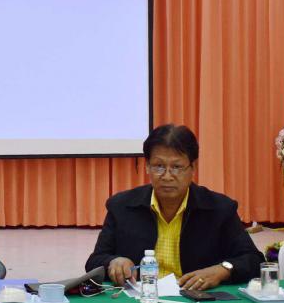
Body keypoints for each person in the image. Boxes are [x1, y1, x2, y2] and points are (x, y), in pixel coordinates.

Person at [86, 124, 264, 291]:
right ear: (147, 166)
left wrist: (223, 270)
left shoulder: (220, 209)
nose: (167, 176)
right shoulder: (121, 206)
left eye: (177, 167)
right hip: (142, 299)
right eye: (159, 166)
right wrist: (113, 262)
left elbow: (253, 260)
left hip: (195, 300)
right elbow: (95, 261)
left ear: (193, 168)